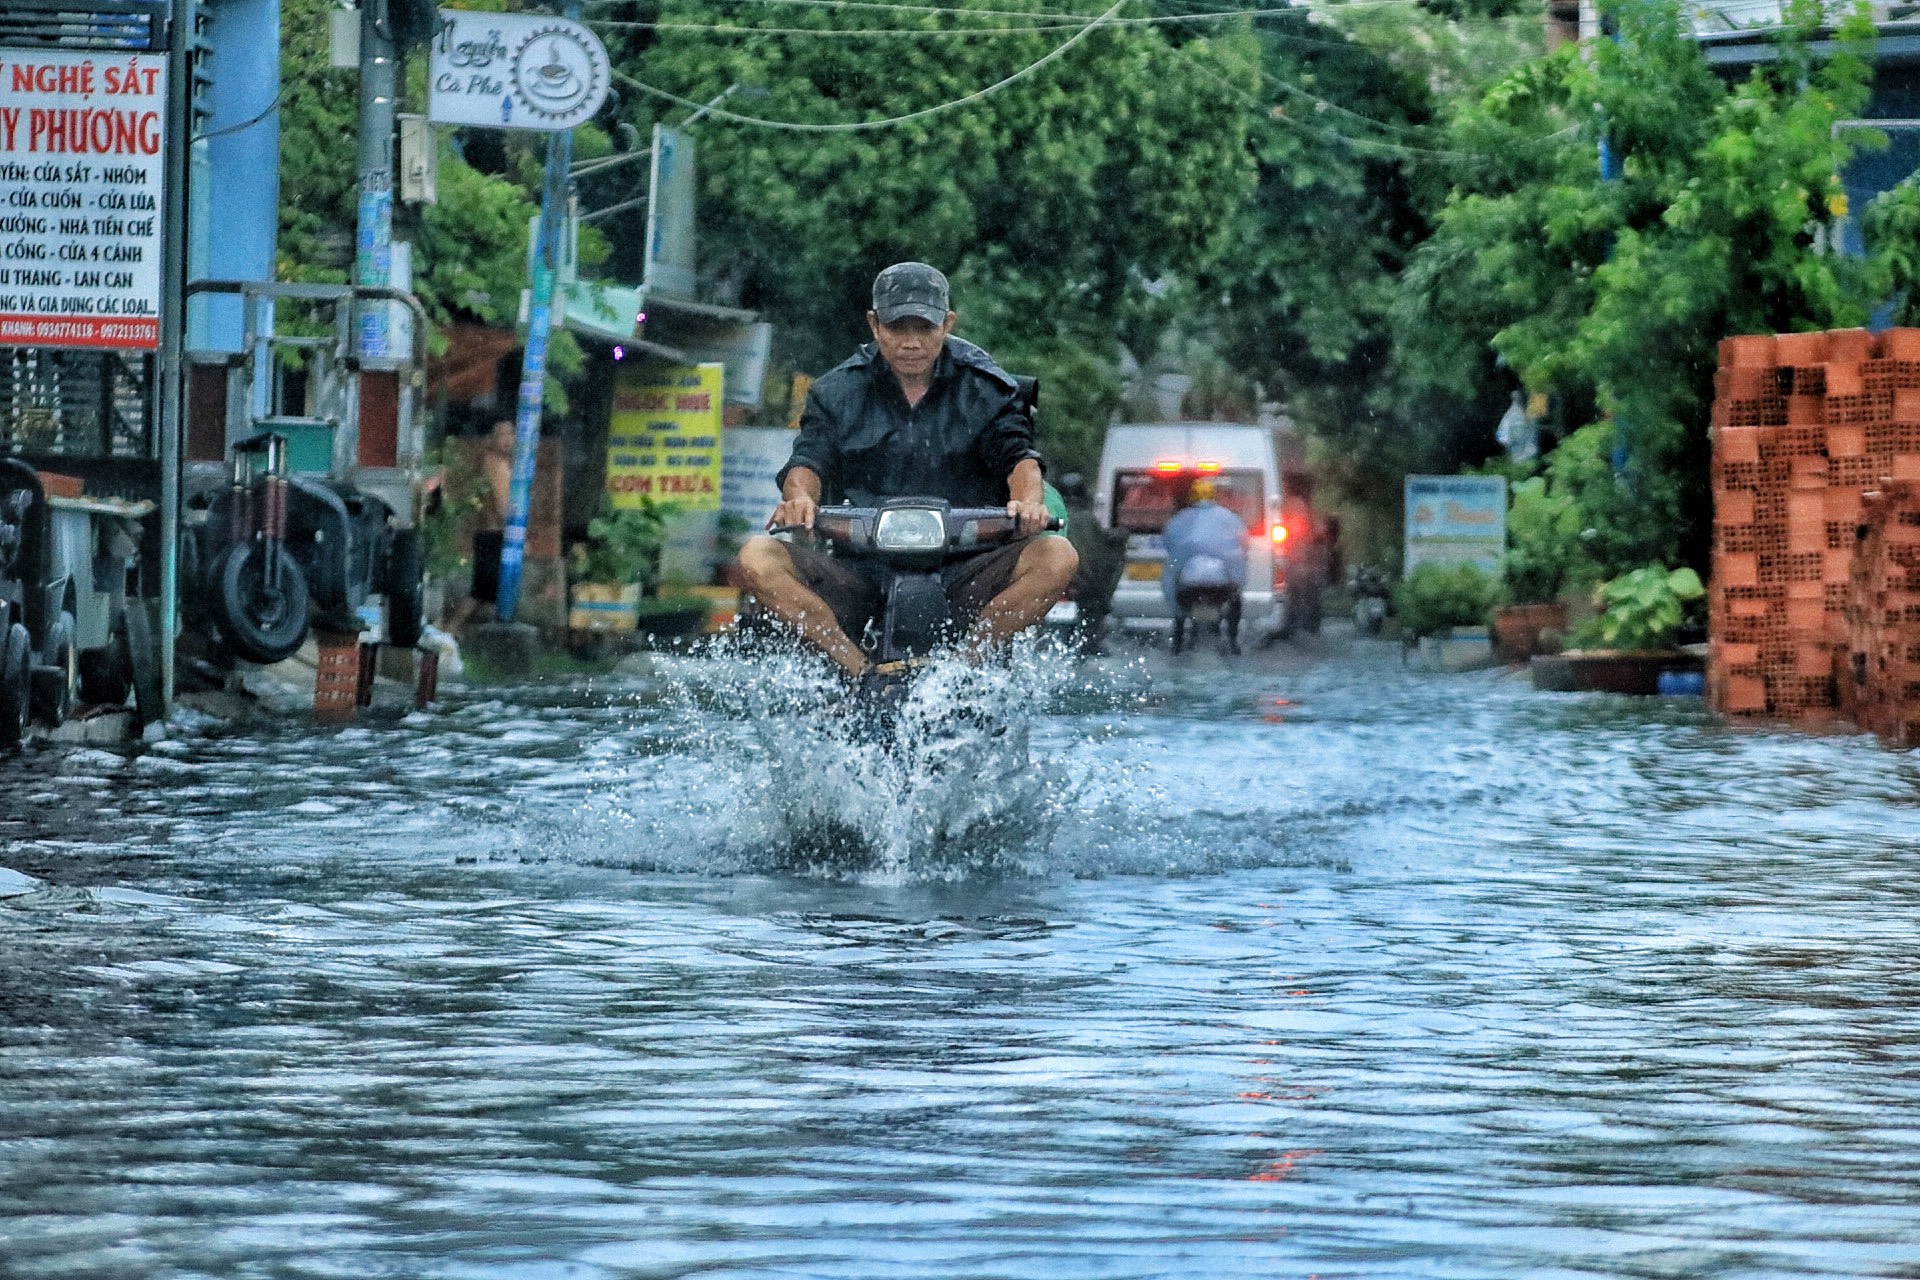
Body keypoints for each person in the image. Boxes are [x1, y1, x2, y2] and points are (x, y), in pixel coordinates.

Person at [737, 262, 1079, 683]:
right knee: (757, 555)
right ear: (875, 324)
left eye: (926, 328)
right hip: (861, 570)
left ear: (947, 324)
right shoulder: (835, 391)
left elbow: (1020, 459)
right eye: (899, 328)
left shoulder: (989, 388)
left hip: (963, 567)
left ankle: (960, 671)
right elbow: (807, 461)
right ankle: (858, 669)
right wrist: (801, 500)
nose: (912, 342)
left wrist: (1028, 503)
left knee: (1057, 556)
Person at [1162, 477, 1249, 655]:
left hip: (1189, 587)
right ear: (1214, 495)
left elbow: (1169, 543)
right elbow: (1244, 544)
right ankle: (1233, 641)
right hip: (1221, 587)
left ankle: (1177, 643)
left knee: (1179, 609)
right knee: (1236, 600)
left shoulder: (1180, 519)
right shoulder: (1230, 518)